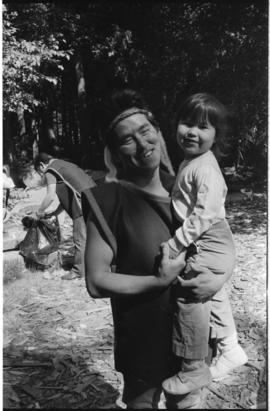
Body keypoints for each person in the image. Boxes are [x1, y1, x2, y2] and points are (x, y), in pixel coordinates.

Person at [81, 89, 234, 409]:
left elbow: (218, 238)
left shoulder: (186, 183)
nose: (142, 143)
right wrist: (157, 281)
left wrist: (221, 277)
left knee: (188, 403)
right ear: (114, 151)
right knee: (142, 403)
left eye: (146, 131)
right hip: (142, 336)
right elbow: (96, 281)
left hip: (191, 337)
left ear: (159, 131)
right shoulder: (105, 199)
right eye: (127, 139)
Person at [162, 93, 248, 398]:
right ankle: (230, 348)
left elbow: (204, 213)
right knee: (214, 292)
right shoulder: (192, 161)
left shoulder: (206, 168)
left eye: (203, 127)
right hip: (213, 243)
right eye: (187, 123)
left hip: (210, 241)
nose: (192, 132)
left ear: (216, 136)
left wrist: (176, 243)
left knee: (190, 297)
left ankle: (193, 367)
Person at [34, 151, 96, 280]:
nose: (43, 176)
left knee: (80, 239)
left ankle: (79, 271)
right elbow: (70, 192)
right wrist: (55, 212)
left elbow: (50, 196)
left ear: (41, 165)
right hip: (95, 198)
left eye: (40, 173)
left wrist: (39, 212)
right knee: (95, 236)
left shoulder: (50, 170)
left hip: (82, 205)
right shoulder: (66, 165)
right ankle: (98, 264)